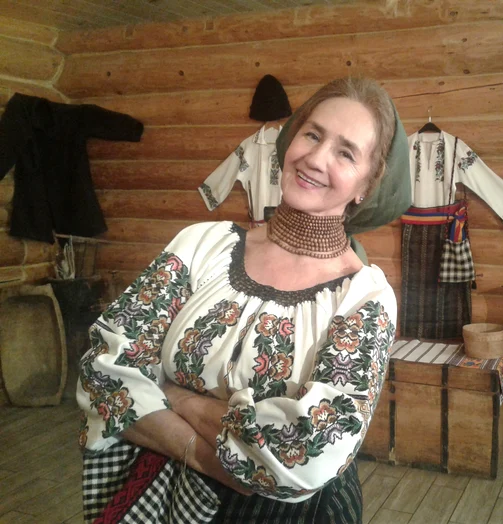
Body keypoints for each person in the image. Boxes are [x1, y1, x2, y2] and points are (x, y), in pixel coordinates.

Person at [77, 77, 412, 523]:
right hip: (157, 497)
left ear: (366, 186)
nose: (315, 159)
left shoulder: (363, 298)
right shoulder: (202, 245)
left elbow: (306, 455)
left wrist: (172, 395)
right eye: (312, 134)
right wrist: (202, 452)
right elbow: (102, 369)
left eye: (345, 153)